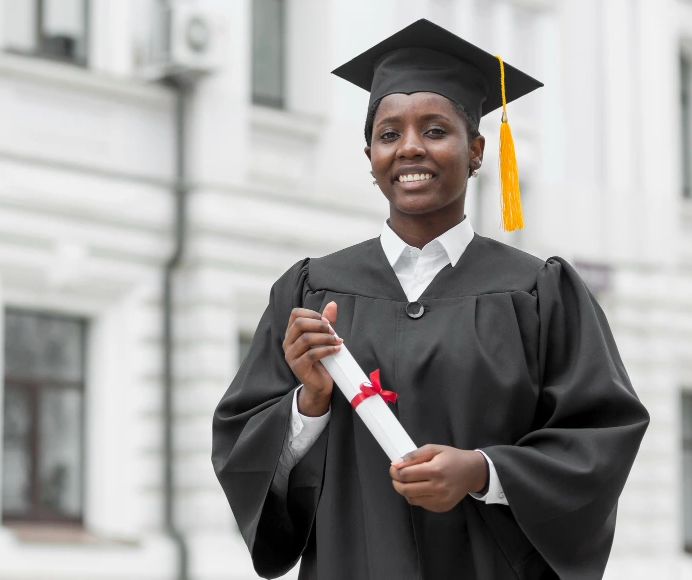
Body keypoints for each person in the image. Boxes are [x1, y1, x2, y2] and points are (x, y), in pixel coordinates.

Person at [212, 19, 649, 580]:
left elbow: (599, 440)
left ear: (476, 151)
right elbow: (241, 449)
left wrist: (484, 472)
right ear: (369, 156)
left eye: (436, 129)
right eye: (389, 134)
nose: (410, 147)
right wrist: (309, 404)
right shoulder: (309, 291)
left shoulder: (540, 293)